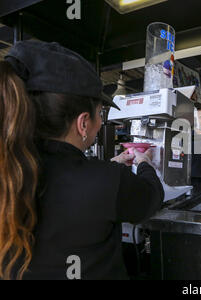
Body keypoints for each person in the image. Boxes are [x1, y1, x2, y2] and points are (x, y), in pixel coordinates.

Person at [0, 41, 164, 280]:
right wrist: (144, 162)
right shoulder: (109, 180)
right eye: (100, 114)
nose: (101, 123)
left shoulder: (10, 170)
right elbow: (151, 196)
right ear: (83, 123)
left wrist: (112, 165)